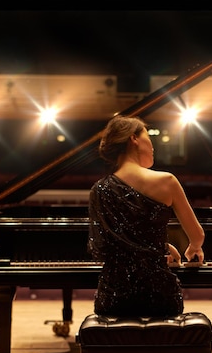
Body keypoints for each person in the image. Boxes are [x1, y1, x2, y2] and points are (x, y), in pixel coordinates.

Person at [87, 114, 205, 317]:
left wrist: (157, 247)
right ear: (134, 138)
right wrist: (191, 248)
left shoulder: (99, 189)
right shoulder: (167, 181)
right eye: (148, 137)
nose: (153, 146)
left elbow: (101, 248)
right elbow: (197, 236)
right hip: (158, 294)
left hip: (114, 294)